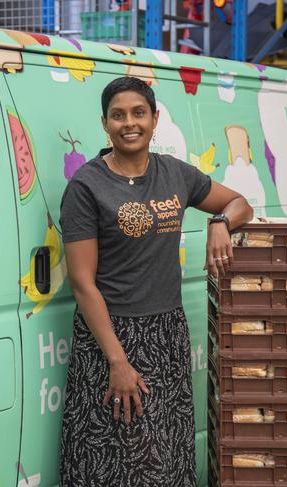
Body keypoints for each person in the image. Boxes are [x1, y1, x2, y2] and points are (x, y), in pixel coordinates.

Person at [59, 76, 253, 486]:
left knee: (167, 453)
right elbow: (82, 283)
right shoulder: (87, 186)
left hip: (166, 334)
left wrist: (219, 222)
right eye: (118, 115)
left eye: (138, 113)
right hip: (112, 339)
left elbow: (241, 204)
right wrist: (117, 360)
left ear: (154, 119)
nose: (129, 123)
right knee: (115, 459)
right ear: (105, 124)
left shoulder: (175, 175)